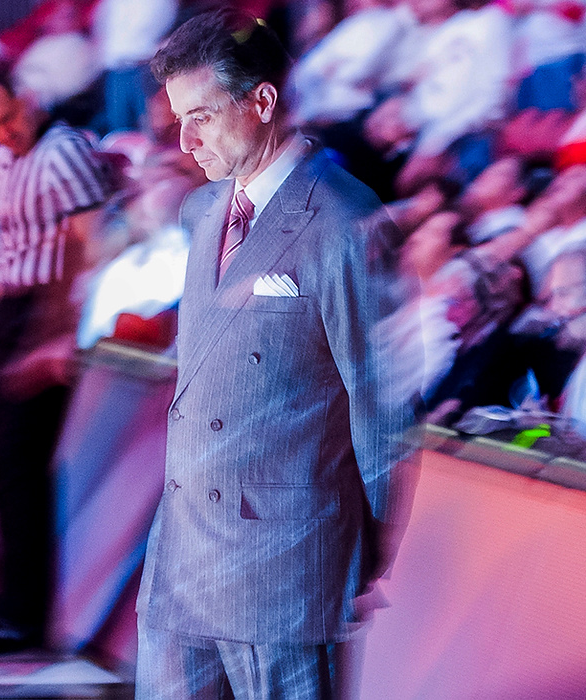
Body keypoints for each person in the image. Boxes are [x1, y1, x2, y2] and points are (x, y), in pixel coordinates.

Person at [135, 10, 412, 698]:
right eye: (177, 117)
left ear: (261, 101)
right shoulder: (200, 212)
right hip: (179, 560)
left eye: (200, 114)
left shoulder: (346, 221)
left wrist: (358, 559)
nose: (185, 137)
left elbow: (381, 411)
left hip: (286, 571)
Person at [0, 59, 116, 653]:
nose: (4, 134)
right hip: (10, 312)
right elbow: (8, 244)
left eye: (8, 119)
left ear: (28, 99)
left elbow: (88, 250)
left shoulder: (64, 152)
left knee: (21, 466)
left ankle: (27, 614)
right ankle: (13, 599)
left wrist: (55, 334)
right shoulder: (6, 157)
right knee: (5, 465)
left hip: (42, 312)